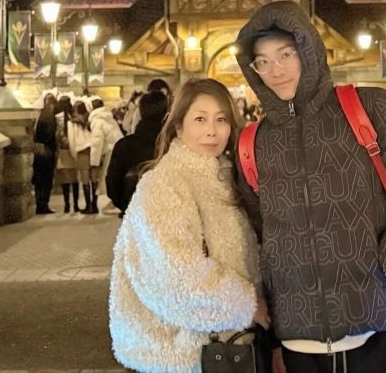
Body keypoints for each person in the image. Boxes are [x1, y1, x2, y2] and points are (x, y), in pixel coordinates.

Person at [234, 0, 386, 373]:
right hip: (298, 340)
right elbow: (259, 234)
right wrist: (271, 333)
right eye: (263, 61)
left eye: (286, 54)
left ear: (308, 50)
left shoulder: (370, 108)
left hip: (379, 324)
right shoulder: (253, 143)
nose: (276, 70)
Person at [109, 78, 269, 372]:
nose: (212, 131)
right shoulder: (164, 184)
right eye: (200, 119)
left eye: (221, 119)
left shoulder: (228, 177)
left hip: (230, 345)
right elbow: (175, 277)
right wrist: (248, 304)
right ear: (179, 126)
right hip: (182, 352)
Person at [106, 89, 168, 217]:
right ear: (167, 115)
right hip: (169, 215)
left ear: (140, 113)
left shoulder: (124, 146)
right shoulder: (173, 145)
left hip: (134, 215)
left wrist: (127, 207)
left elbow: (112, 185)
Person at [88, 96, 123, 214]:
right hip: (118, 149)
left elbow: (96, 143)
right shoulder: (108, 118)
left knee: (106, 179)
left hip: (110, 152)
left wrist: (94, 162)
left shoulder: (97, 121)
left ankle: (112, 204)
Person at [69, 99, 97, 214]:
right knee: (94, 178)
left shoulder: (72, 123)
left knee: (85, 179)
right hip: (93, 149)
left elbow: (71, 140)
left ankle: (88, 205)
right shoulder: (90, 120)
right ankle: (95, 205)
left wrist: (73, 154)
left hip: (81, 150)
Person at [32, 92, 58, 214]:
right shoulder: (51, 116)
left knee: (39, 180)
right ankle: (44, 205)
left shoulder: (41, 115)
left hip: (39, 152)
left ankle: (39, 204)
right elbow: (51, 134)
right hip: (47, 152)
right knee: (46, 180)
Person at [55, 95, 81, 212]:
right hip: (74, 148)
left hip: (63, 150)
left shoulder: (58, 117)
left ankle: (67, 205)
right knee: (74, 179)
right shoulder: (74, 117)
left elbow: (57, 134)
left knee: (65, 180)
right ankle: (75, 205)